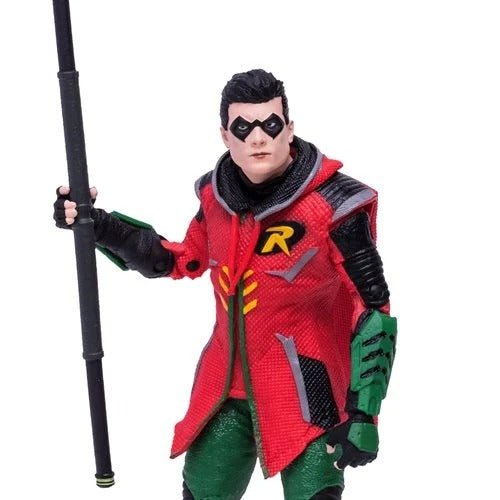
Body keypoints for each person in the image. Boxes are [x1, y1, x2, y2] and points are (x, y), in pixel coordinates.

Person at [54, 69, 397, 500]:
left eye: (271, 124)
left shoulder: (335, 204)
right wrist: (99, 226)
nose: (259, 138)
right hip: (225, 388)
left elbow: (373, 308)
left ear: (289, 128)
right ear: (225, 136)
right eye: (244, 128)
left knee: (315, 492)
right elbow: (176, 259)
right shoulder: (216, 199)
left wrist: (364, 413)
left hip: (308, 391)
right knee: (203, 490)